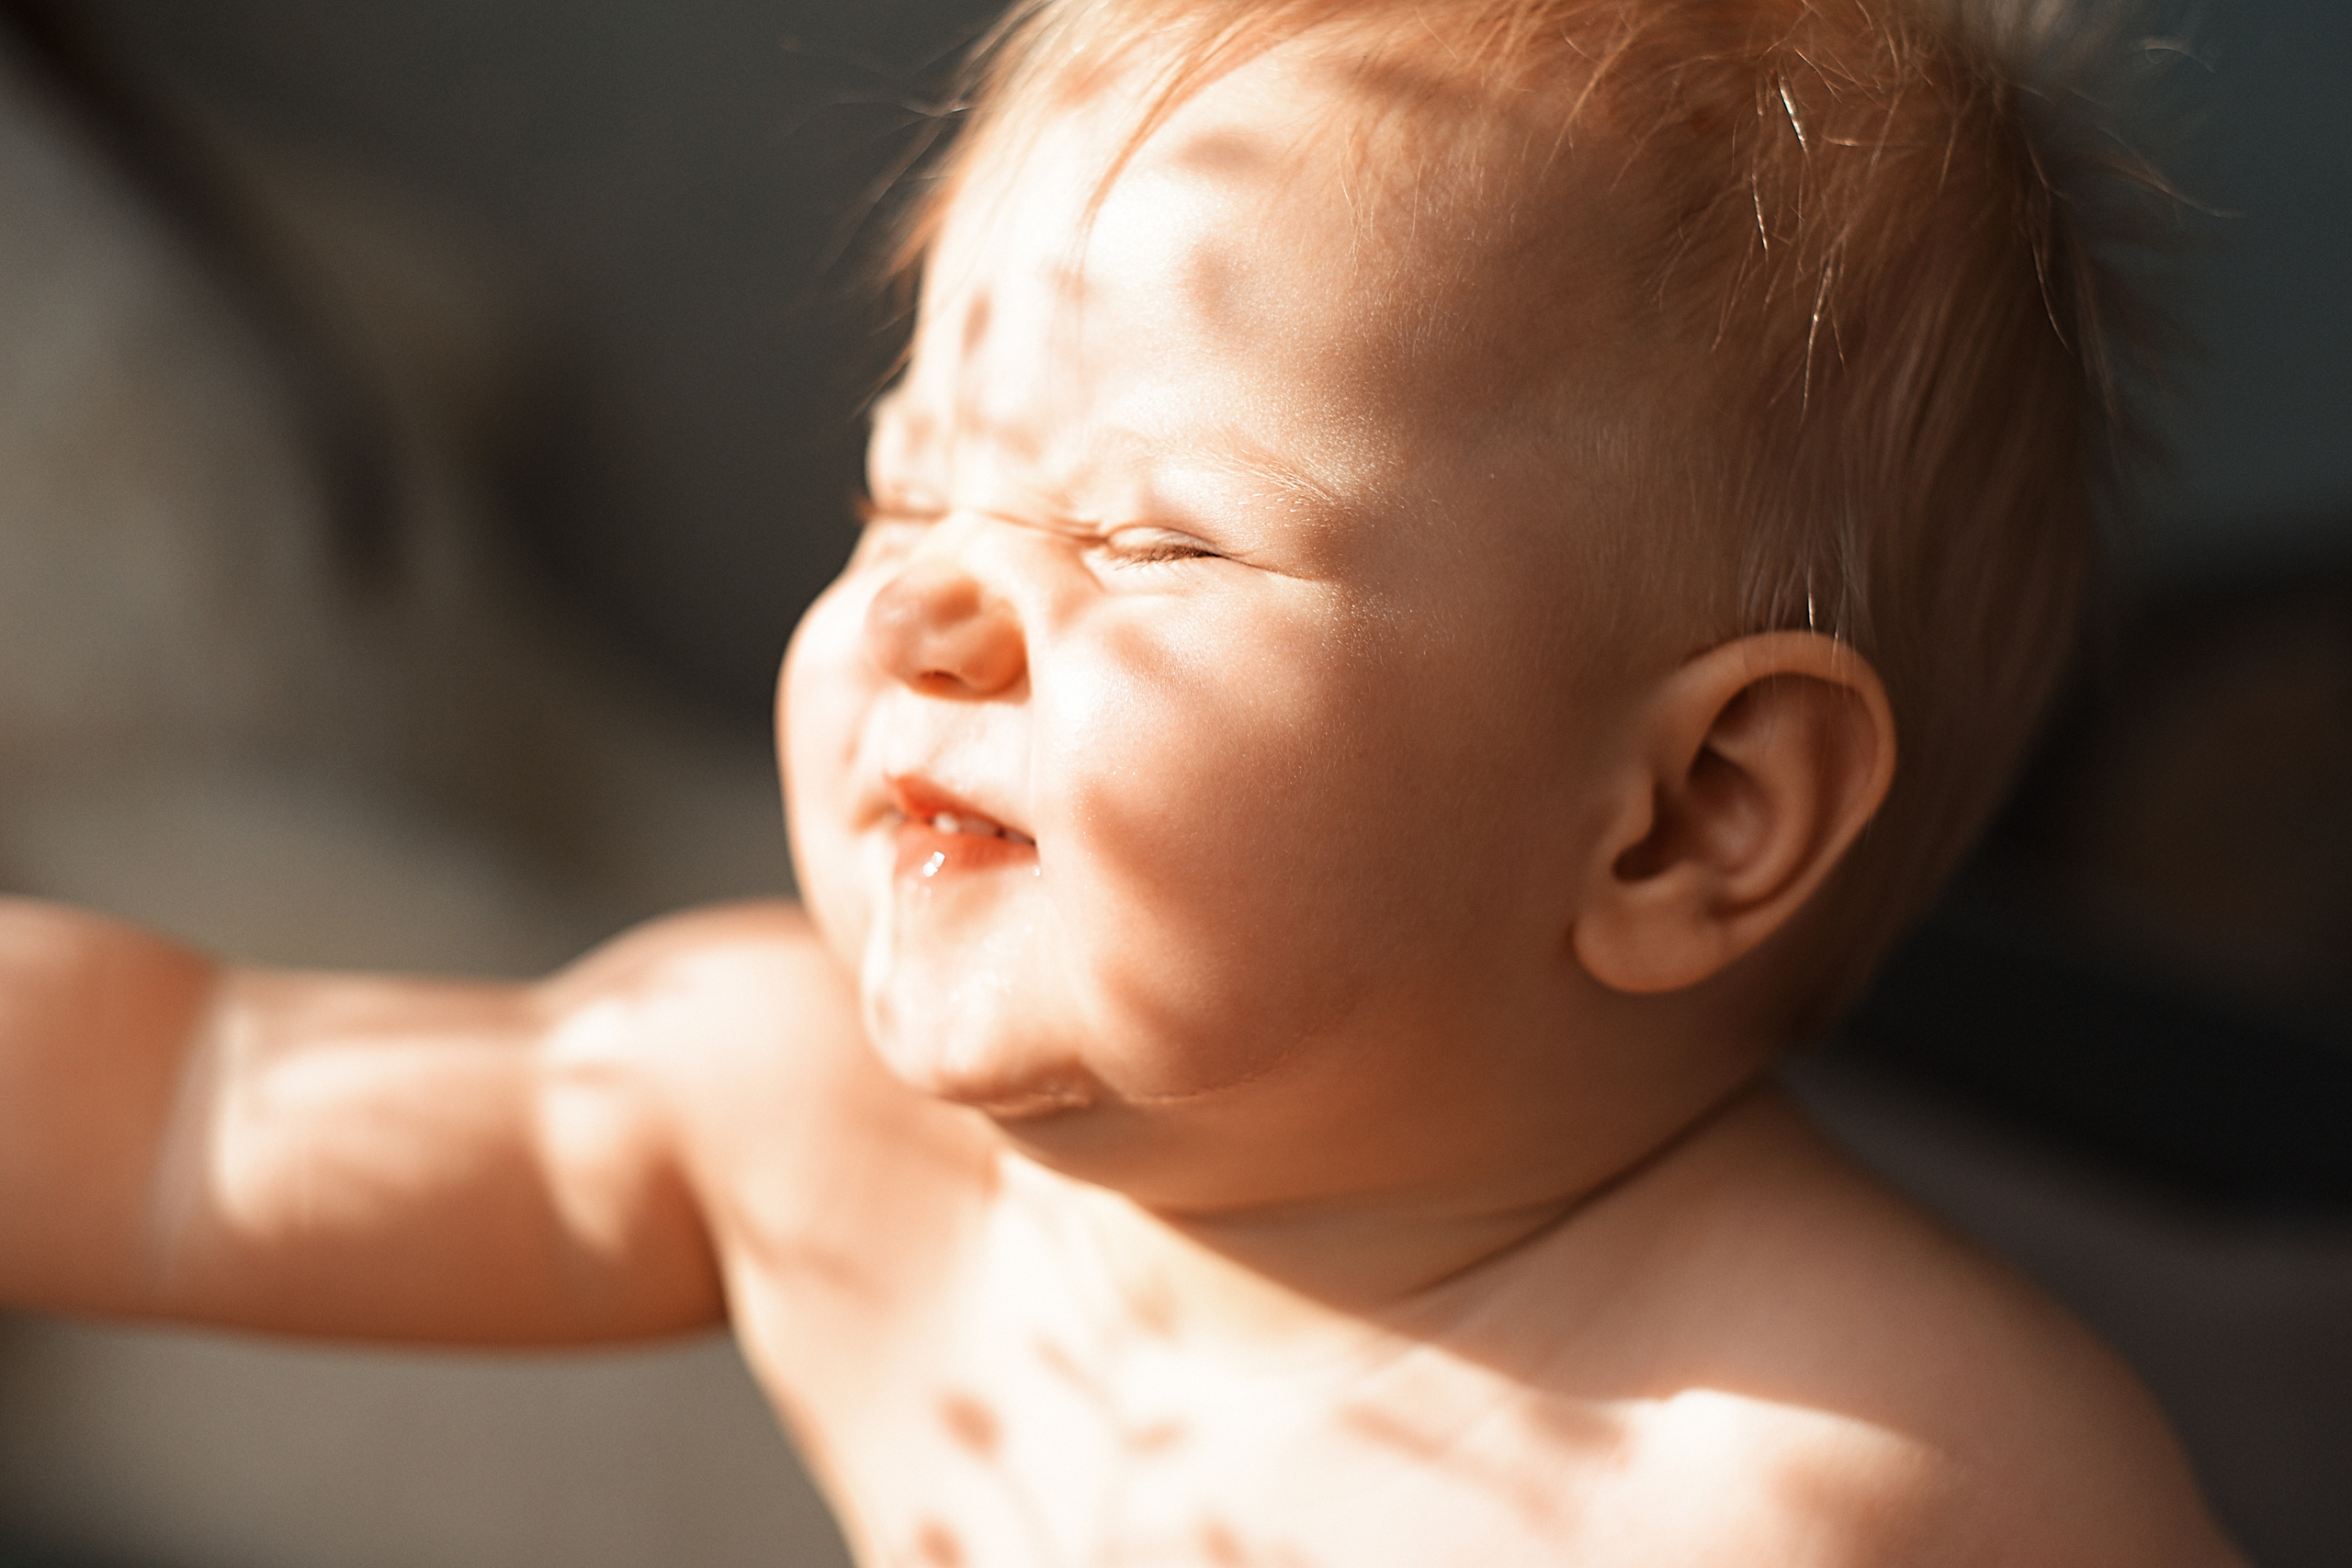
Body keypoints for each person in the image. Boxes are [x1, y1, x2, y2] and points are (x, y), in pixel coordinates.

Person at [0, 0, 2246, 1562]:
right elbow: (194, 1114)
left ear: (1685, 814)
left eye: (1147, 538)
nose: (924, 616)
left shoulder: (1849, 1476)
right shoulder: (803, 1123)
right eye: (904, 498)